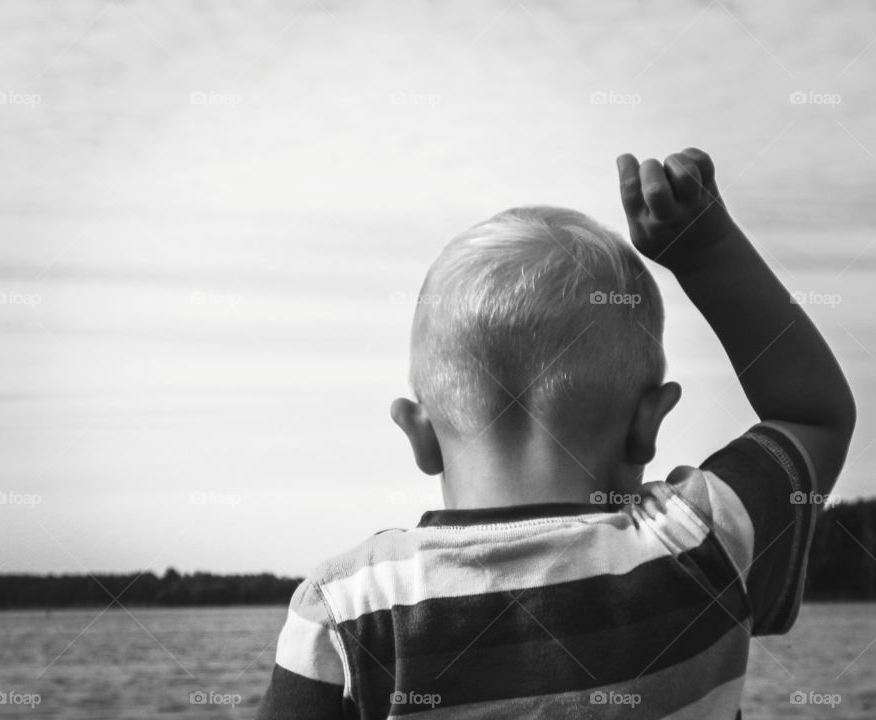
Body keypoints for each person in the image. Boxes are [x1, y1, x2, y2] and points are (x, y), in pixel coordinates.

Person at [256, 148, 856, 719]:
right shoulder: (701, 543)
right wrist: (706, 253)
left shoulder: (347, 609)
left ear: (420, 435)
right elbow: (812, 415)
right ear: (648, 424)